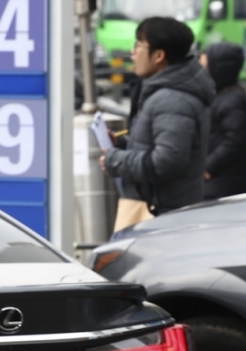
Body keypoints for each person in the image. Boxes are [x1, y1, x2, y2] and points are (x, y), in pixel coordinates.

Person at [102, 17, 215, 230]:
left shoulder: (173, 100)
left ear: (159, 56)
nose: (133, 52)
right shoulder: (165, 93)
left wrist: (116, 160)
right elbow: (159, 146)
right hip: (160, 211)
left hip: (163, 217)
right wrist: (124, 145)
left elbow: (166, 162)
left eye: (138, 45)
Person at [202, 42, 246, 199]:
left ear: (218, 69)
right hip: (219, 180)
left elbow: (235, 140)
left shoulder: (232, 101)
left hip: (223, 182)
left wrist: (208, 168)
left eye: (204, 67)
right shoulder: (220, 95)